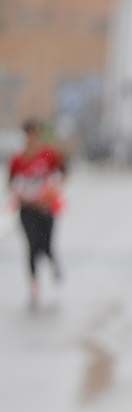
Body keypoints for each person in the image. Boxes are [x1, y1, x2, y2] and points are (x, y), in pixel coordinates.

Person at [7, 118, 66, 307]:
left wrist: (51, 191)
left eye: (35, 134)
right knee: (31, 245)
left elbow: (62, 172)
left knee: (45, 244)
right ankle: (33, 285)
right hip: (27, 209)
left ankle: (53, 262)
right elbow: (11, 182)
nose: (32, 138)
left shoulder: (49, 154)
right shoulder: (18, 159)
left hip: (45, 208)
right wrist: (21, 195)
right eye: (29, 134)